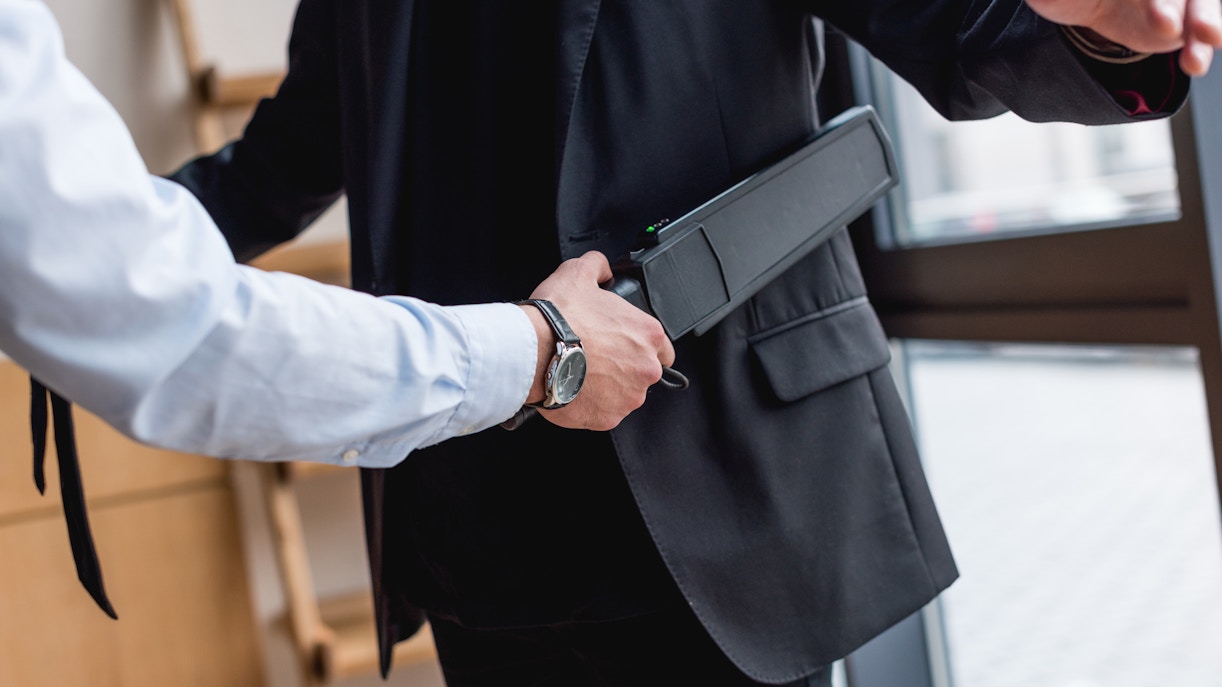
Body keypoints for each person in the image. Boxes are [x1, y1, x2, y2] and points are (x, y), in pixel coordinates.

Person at [169, 1, 1221, 685]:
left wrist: (1099, 29)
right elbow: (286, 160)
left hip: (720, 488)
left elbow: (963, 27)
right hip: (480, 515)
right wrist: (76, 245)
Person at [0, 0, 674, 465]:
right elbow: (308, 136)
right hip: (467, 468)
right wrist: (542, 349)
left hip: (673, 426)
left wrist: (101, 247)